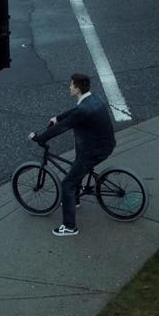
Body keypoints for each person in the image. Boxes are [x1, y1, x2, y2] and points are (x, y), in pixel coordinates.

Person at [29, 73, 116, 237]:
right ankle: (74, 200)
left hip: (92, 151)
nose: (69, 87)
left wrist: (39, 137)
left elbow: (62, 127)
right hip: (105, 145)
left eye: (71, 85)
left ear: (77, 89)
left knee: (67, 184)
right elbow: (75, 112)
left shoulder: (83, 110)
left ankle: (69, 227)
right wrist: (58, 117)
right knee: (76, 171)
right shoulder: (94, 98)